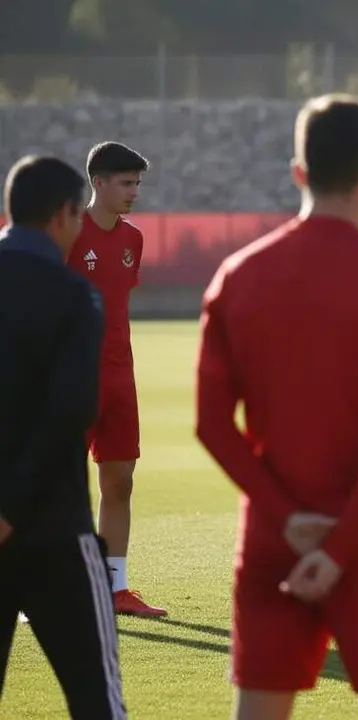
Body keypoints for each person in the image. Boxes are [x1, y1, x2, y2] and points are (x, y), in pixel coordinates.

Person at [195, 94, 358, 719]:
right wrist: (339, 547)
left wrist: (287, 520)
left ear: (298, 171)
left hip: (275, 540)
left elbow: (212, 426)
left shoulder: (236, 276)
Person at [0, 155, 127, 718]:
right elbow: (70, 413)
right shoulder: (74, 295)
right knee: (96, 702)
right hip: (55, 531)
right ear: (63, 215)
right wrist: (13, 509)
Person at [65, 141, 165, 618]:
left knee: (120, 481)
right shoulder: (64, 233)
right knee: (57, 485)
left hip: (119, 377)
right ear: (98, 183)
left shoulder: (133, 240)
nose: (134, 192)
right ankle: (44, 587)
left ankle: (114, 587)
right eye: (126, 183)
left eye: (138, 183)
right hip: (69, 377)